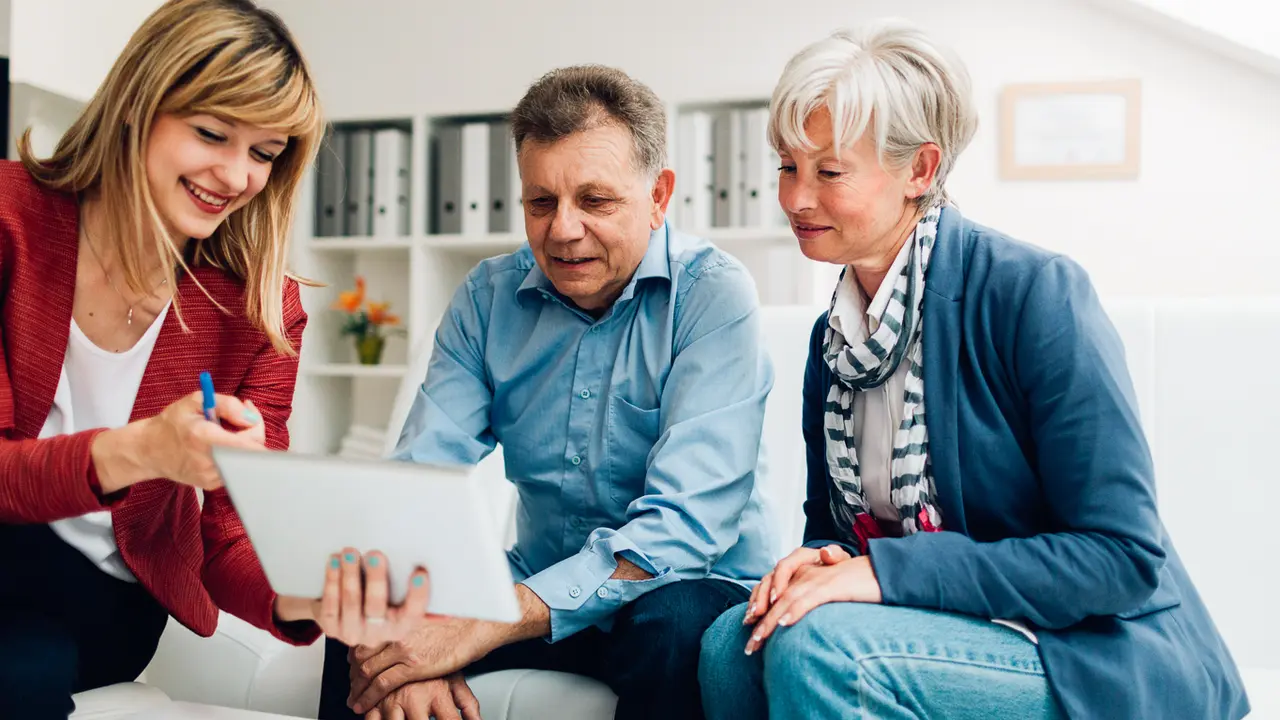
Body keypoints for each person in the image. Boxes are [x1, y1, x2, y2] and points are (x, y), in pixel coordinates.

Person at [698, 20, 1250, 720]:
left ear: (920, 171)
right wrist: (823, 563)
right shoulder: (834, 340)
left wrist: (885, 574)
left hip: (1083, 650)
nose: (795, 199)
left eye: (828, 171)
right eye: (786, 166)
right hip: (942, 630)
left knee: (824, 649)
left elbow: (1121, 558)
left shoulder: (1034, 295)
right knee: (728, 645)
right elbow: (837, 531)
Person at [0, 2, 434, 717]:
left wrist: (308, 597)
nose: (237, 176)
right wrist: (140, 451)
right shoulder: (11, 221)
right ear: (141, 104)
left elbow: (227, 532)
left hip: (98, 606)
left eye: (265, 153)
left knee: (21, 671)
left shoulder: (261, 308)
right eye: (212, 133)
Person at [319, 65, 776, 720]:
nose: (562, 230)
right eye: (541, 202)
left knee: (677, 623)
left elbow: (683, 529)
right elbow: (418, 481)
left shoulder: (712, 295)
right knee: (362, 617)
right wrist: (406, 640)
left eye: (595, 201)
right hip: (536, 585)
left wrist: (481, 627)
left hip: (680, 588)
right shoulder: (487, 297)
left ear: (659, 196)